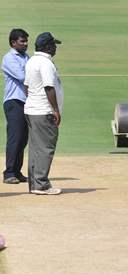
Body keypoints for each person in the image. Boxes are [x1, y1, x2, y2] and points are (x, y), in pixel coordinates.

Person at [24, 32, 63, 195]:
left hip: (32, 109)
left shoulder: (31, 60)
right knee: (46, 147)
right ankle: (41, 184)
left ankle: (35, 183)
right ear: (47, 46)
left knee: (35, 148)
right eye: (53, 45)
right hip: (43, 111)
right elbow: (48, 87)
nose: (55, 48)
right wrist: (55, 109)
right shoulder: (46, 63)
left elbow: (26, 86)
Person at [1, 29, 29, 184]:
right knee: (15, 138)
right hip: (14, 101)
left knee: (23, 138)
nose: (25, 44)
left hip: (26, 102)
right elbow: (23, 77)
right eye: (22, 41)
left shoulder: (26, 57)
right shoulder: (9, 58)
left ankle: (17, 171)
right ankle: (9, 172)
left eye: (26, 41)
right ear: (13, 43)